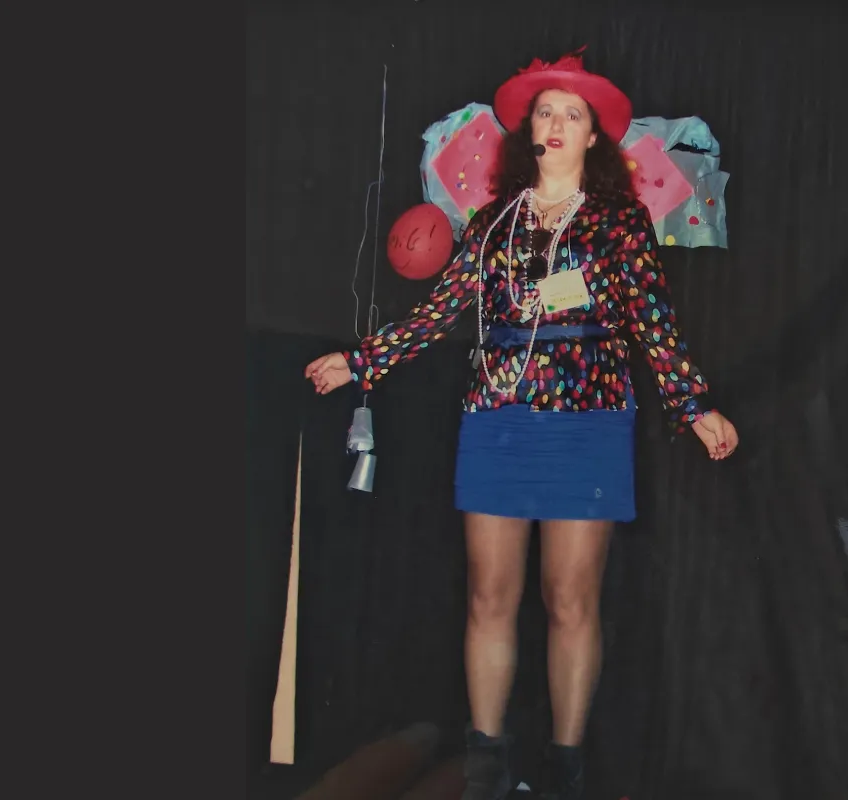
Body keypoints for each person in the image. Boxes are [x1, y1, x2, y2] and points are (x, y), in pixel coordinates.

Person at [305, 50, 739, 800]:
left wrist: (692, 404)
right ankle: (485, 764)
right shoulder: (492, 222)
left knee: (570, 597)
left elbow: (652, 321)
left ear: (594, 136)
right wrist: (362, 360)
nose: (557, 122)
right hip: (497, 417)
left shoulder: (620, 221)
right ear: (528, 130)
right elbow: (440, 311)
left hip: (589, 418)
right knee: (489, 594)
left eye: (572, 113)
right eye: (545, 111)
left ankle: (566, 767)